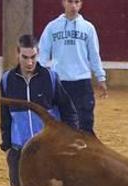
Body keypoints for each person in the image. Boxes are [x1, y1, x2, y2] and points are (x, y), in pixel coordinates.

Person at [0, 34, 79, 186]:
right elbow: (5, 115)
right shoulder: (7, 80)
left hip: (45, 152)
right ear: (18, 54)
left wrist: (68, 139)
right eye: (25, 57)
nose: (29, 62)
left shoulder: (50, 79)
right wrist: (6, 143)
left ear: (38, 54)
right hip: (18, 150)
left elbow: (69, 110)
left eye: (33, 57)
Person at [38, 0, 107, 135]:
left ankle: (84, 153)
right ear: (63, 3)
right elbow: (43, 52)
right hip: (60, 80)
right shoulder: (52, 27)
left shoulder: (88, 28)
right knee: (60, 121)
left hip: (82, 80)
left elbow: (94, 54)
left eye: (77, 2)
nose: (73, 6)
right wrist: (40, 74)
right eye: (70, 1)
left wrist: (100, 76)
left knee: (85, 121)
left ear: (81, 4)